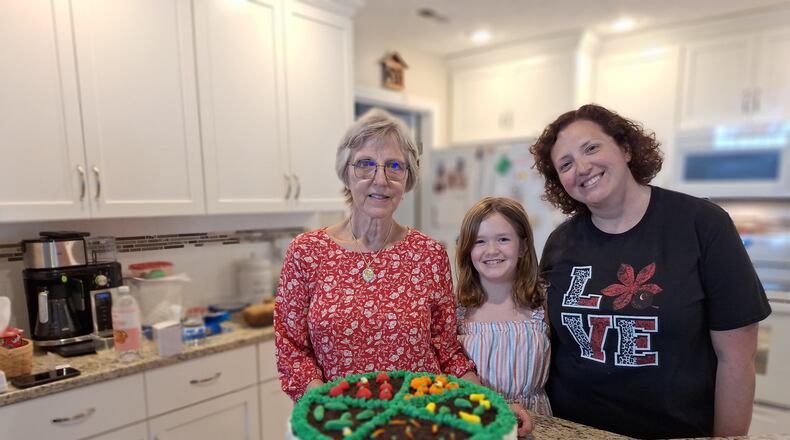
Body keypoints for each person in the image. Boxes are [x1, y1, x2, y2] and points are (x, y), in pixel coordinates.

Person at [529, 103, 771, 439]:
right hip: (573, 429)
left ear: (625, 149)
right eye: (565, 164)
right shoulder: (560, 241)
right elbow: (546, 340)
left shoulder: (702, 225)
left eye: (592, 148)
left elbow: (737, 359)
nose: (582, 167)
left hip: (674, 430)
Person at [274, 108, 479, 402]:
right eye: (365, 164)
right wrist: (324, 402)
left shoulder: (429, 254)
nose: (380, 179)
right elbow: (292, 348)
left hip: (418, 418)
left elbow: (446, 350)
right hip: (340, 421)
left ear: (407, 179)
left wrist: (493, 402)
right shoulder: (306, 251)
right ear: (346, 173)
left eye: (394, 165)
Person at [456, 197, 552, 435]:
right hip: (478, 421)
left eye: (503, 239)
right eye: (479, 241)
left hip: (537, 421)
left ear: (523, 247)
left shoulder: (543, 301)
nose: (492, 250)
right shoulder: (456, 308)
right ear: (468, 250)